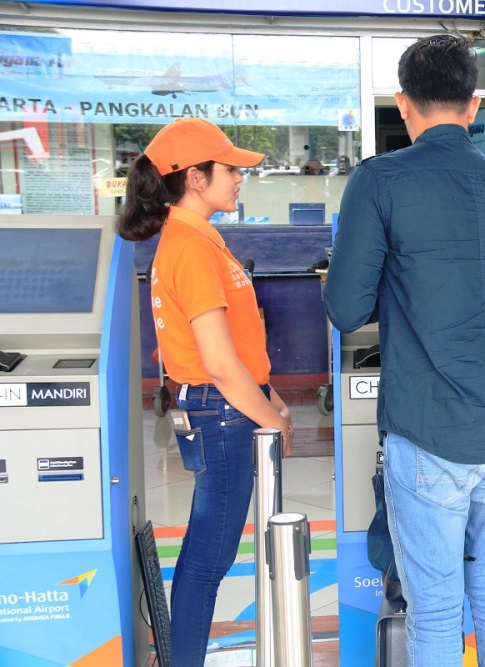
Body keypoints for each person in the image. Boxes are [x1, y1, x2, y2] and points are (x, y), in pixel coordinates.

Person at [323, 34, 485, 667]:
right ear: (473, 106)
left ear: (402, 103)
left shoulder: (379, 182)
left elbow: (345, 308)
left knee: (437, 607)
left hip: (431, 430)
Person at [115, 117, 294, 666]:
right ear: (194, 177)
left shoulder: (199, 237)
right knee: (207, 559)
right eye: (230, 168)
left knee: (206, 552)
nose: (240, 177)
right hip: (223, 415)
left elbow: (229, 347)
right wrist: (271, 417)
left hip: (229, 409)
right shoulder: (189, 245)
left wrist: (269, 393)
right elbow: (216, 363)